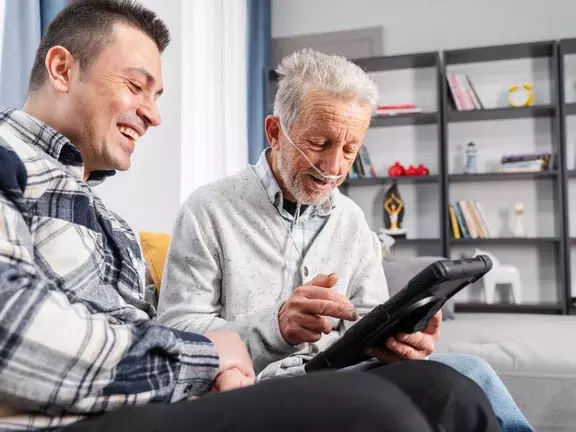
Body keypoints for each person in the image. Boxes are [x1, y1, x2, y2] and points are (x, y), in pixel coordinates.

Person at [0, 1, 502, 431]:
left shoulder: (106, 218)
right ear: (63, 70)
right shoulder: (12, 163)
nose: (154, 115)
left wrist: (387, 338)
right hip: (87, 414)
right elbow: (16, 336)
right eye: (136, 86)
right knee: (376, 410)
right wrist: (221, 356)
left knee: (453, 388)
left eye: (157, 96)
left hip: (162, 396)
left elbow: (142, 330)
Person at [157, 48, 534, 432]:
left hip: (346, 375)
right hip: (258, 387)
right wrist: (275, 326)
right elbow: (174, 334)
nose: (334, 168)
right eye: (319, 144)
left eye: (350, 150)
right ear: (275, 132)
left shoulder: (351, 219)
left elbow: (368, 315)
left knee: (472, 371)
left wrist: (400, 342)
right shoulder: (208, 209)